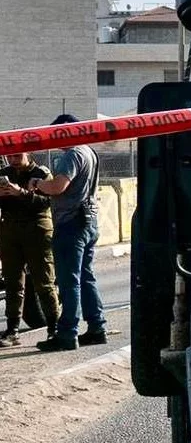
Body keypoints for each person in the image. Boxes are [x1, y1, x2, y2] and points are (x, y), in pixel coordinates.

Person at [27, 116, 108, 352]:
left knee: (68, 280)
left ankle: (67, 333)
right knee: (85, 277)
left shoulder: (72, 155)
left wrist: (37, 183)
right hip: (88, 221)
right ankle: (97, 327)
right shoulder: (89, 152)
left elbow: (58, 186)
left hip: (71, 222)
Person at [0, 152, 61, 345]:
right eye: (10, 156)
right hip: (10, 229)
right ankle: (12, 330)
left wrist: (22, 193)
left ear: (28, 154)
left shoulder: (41, 173)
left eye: (17, 156)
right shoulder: (5, 173)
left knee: (43, 281)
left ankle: (54, 328)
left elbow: (48, 202)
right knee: (13, 282)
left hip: (37, 229)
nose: (13, 160)